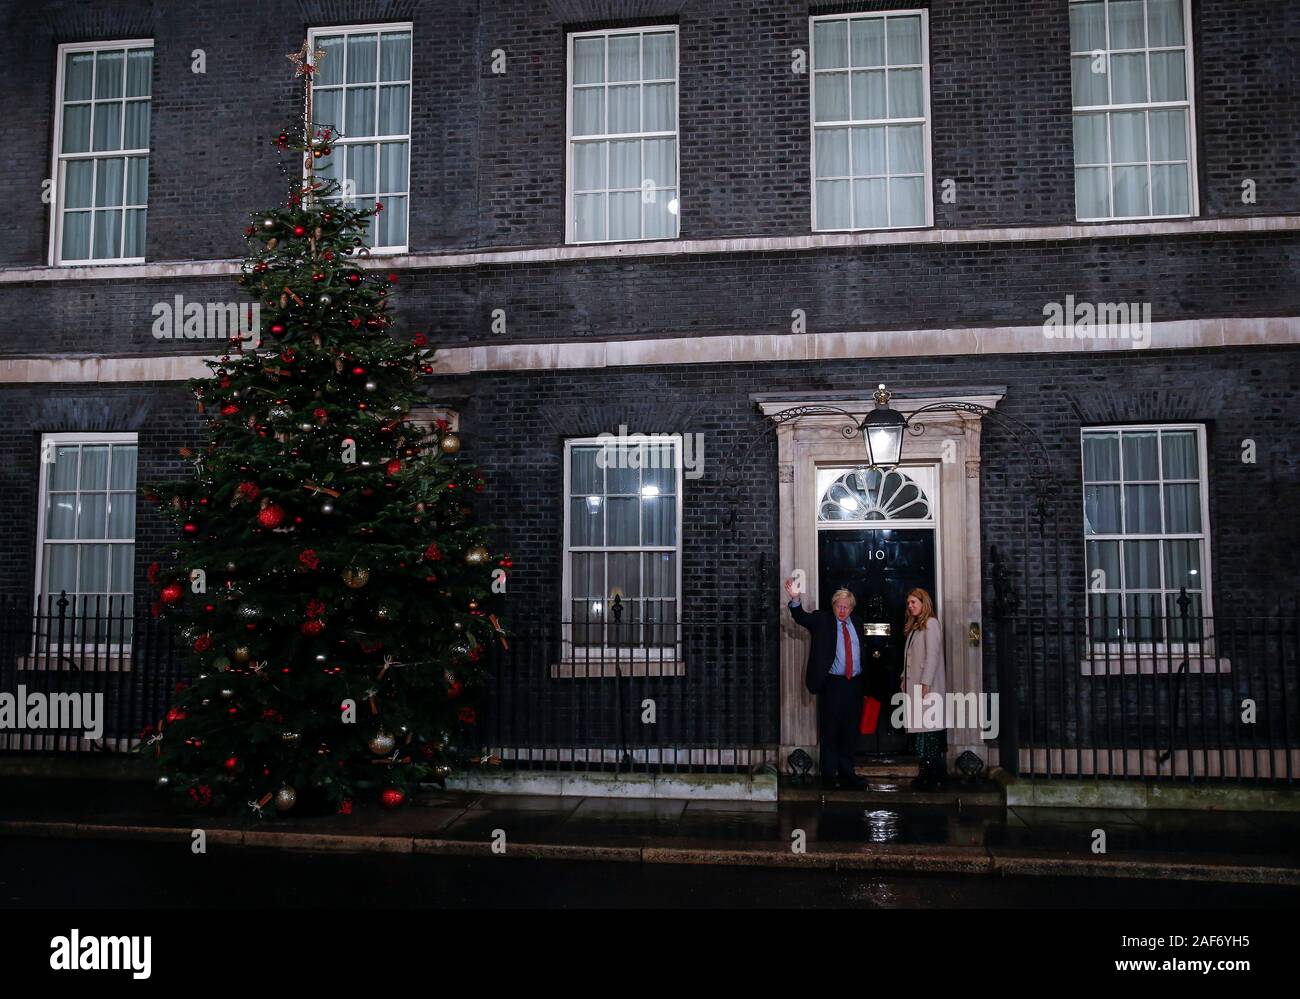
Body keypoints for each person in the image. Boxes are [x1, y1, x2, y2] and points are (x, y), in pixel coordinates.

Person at [784, 578, 867, 790]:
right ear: (833, 606)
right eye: (839, 606)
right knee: (830, 730)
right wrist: (795, 598)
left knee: (850, 731)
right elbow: (801, 617)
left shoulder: (857, 622)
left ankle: (848, 772)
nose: (842, 610)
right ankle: (829, 776)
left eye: (846, 607)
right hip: (832, 684)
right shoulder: (822, 620)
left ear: (852, 608)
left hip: (854, 684)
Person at [901, 587, 947, 790]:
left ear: (923, 602)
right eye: (909, 603)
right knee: (923, 734)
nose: (910, 606)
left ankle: (933, 777)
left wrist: (926, 683)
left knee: (929, 734)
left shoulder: (931, 624)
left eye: (914, 602)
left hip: (926, 688)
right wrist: (903, 677)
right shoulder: (915, 627)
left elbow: (933, 656)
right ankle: (926, 774)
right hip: (916, 687)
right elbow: (910, 658)